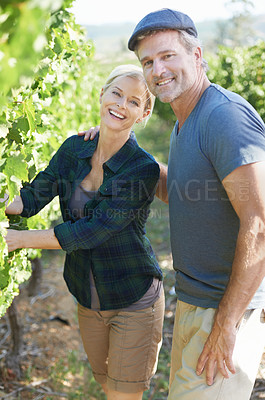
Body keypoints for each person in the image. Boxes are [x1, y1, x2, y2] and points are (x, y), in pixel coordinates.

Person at [81, 8, 265, 400]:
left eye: (167, 56)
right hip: (195, 303)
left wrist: (227, 324)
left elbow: (260, 223)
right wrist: (116, 143)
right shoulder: (187, 120)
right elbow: (180, 188)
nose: (157, 69)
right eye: (148, 62)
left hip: (225, 308)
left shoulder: (223, 117)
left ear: (197, 55)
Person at [4, 64, 165, 400]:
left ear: (144, 112)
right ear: (102, 94)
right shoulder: (74, 148)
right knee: (105, 382)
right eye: (116, 93)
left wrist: (18, 240)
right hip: (87, 295)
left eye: (134, 102)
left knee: (124, 394)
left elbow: (93, 231)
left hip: (133, 295)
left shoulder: (142, 167)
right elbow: (33, 197)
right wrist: (5, 198)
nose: (121, 104)